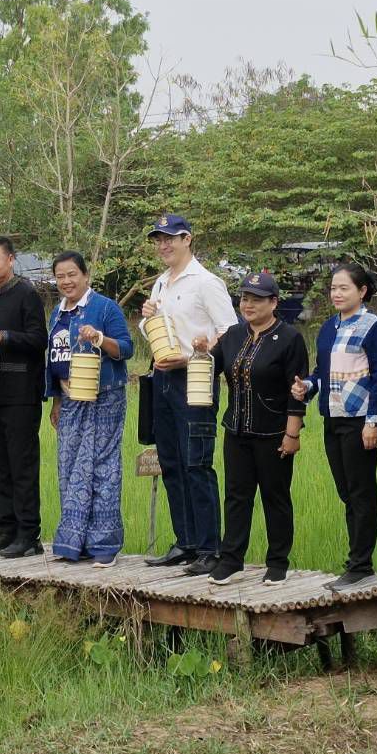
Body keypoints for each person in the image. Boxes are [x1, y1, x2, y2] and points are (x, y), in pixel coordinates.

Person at [140, 213, 239, 577]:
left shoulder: (206, 282)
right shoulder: (162, 283)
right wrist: (147, 315)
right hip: (163, 378)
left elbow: (230, 332)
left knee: (197, 463)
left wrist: (198, 354)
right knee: (171, 462)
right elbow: (158, 329)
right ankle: (186, 542)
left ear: (187, 239)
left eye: (169, 238)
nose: (163, 245)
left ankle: (211, 548)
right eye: (158, 240)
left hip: (194, 378)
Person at [195, 271, 308, 585]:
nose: (248, 304)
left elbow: (297, 390)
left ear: (273, 302)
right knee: (236, 496)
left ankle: (277, 562)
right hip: (236, 431)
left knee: (276, 497)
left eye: (257, 299)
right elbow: (210, 366)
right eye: (245, 298)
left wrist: (292, 433)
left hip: (273, 433)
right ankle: (231, 560)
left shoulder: (289, 338)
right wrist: (202, 349)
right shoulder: (232, 335)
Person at [293, 263, 377, 591]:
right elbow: (322, 370)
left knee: (361, 492)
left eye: (344, 288)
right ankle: (356, 561)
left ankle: (362, 565)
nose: (336, 293)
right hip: (332, 418)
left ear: (362, 292)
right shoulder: (329, 328)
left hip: (360, 420)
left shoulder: (374, 326)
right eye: (334, 288)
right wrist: (308, 386)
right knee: (346, 491)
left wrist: (373, 422)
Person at [45, 252, 135, 566]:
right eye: (60, 276)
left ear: (86, 276)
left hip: (104, 399)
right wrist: (56, 400)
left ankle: (104, 546)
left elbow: (126, 348)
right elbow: (55, 360)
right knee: (70, 469)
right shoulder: (58, 312)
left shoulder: (104, 308)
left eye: (72, 274)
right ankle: (73, 542)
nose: (67, 281)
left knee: (101, 468)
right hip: (69, 401)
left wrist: (99, 338)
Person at [0, 236, 49, 558]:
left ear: (10, 260)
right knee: (0, 465)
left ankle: (29, 535)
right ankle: (6, 530)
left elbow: (38, 340)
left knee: (22, 466)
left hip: (22, 394)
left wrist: (3, 336)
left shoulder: (27, 293)